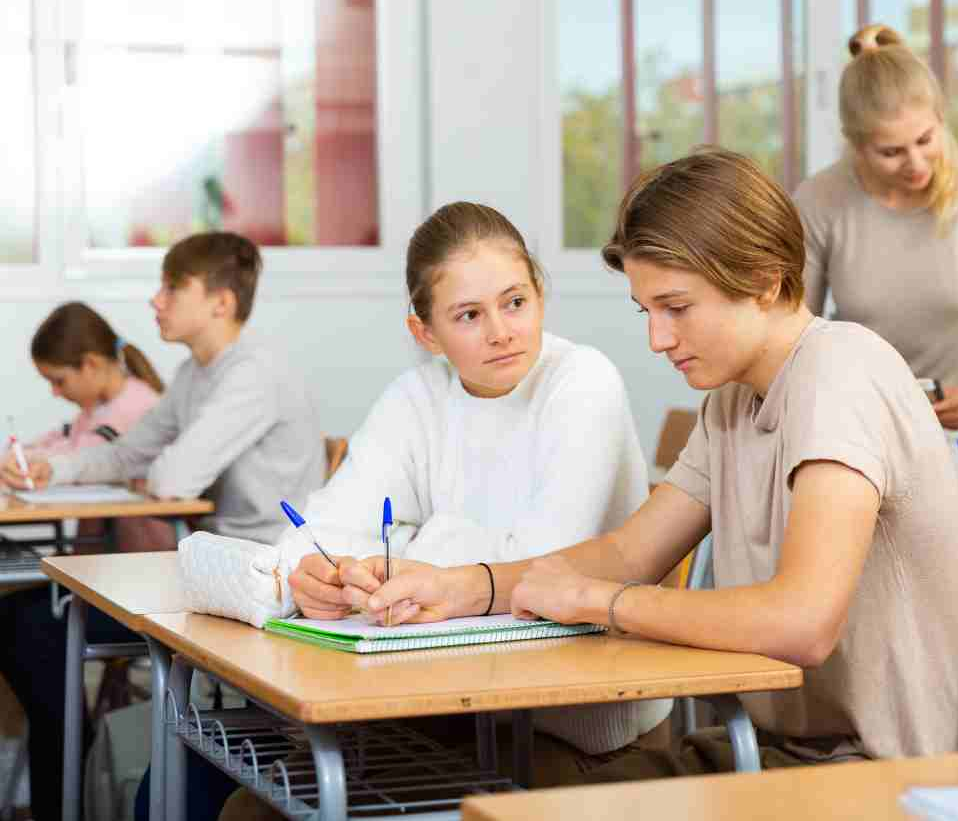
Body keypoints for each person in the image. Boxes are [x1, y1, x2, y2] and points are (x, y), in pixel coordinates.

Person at [337, 149, 958, 779]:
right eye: (648, 311)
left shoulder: (841, 372)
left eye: (677, 307)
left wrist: (602, 602)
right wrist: (462, 586)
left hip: (871, 777)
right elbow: (627, 554)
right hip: (768, 753)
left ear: (764, 280)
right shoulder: (732, 398)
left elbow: (802, 622)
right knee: (493, 788)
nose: (658, 338)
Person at [214, 202, 670, 818]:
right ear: (425, 333)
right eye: (468, 316)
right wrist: (317, 576)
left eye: (515, 302)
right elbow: (319, 528)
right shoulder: (417, 395)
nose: (502, 331)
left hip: (569, 732)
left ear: (540, 293)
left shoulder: (582, 382)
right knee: (253, 810)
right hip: (441, 708)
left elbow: (541, 571)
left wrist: (403, 548)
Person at [0, 232, 325, 821]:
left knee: (50, 614)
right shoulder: (194, 373)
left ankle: (63, 790)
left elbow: (172, 475)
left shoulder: (253, 374)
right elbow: (131, 454)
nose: (156, 301)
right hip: (214, 574)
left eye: (173, 287)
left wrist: (156, 471)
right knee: (58, 607)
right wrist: (55, 469)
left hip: (264, 582)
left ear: (220, 303)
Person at [793, 23, 958, 475]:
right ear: (857, 144)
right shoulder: (818, 200)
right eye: (891, 152)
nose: (917, 163)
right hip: (853, 424)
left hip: (956, 430)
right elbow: (795, 333)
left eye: (926, 140)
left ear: (942, 120)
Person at [13, 301, 168, 549]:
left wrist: (24, 461)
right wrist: (17, 456)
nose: (54, 392)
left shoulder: (135, 408)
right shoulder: (96, 409)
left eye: (59, 381)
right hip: (101, 562)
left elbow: (81, 454)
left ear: (91, 365)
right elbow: (58, 440)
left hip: (135, 562)